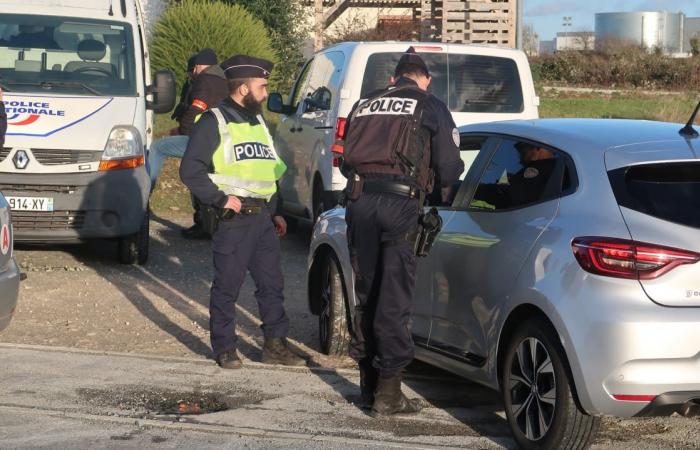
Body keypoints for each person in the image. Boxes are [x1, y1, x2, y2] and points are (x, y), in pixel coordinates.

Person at [341, 47, 464, 416]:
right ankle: (389, 393)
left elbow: (346, 157)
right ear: (423, 79)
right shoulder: (430, 105)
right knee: (393, 298)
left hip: (360, 203)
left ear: (394, 78)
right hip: (400, 206)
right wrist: (442, 199)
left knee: (367, 292)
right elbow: (448, 165)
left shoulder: (364, 104)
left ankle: (367, 384)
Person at [180, 54, 305, 369]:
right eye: (262, 86)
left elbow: (268, 170)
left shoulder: (260, 122)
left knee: (271, 285)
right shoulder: (213, 121)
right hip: (234, 220)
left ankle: (275, 346)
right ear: (243, 89)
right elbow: (190, 170)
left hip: (263, 218)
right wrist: (220, 200)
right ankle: (225, 348)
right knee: (227, 286)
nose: (266, 93)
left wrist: (275, 210)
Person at [147, 48, 228, 239]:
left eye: (191, 72)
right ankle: (204, 223)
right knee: (199, 175)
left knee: (158, 148)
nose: (190, 77)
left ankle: (143, 196)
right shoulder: (224, 81)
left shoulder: (205, 81)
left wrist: (183, 131)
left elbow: (196, 109)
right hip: (221, 140)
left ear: (198, 67)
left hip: (202, 140)